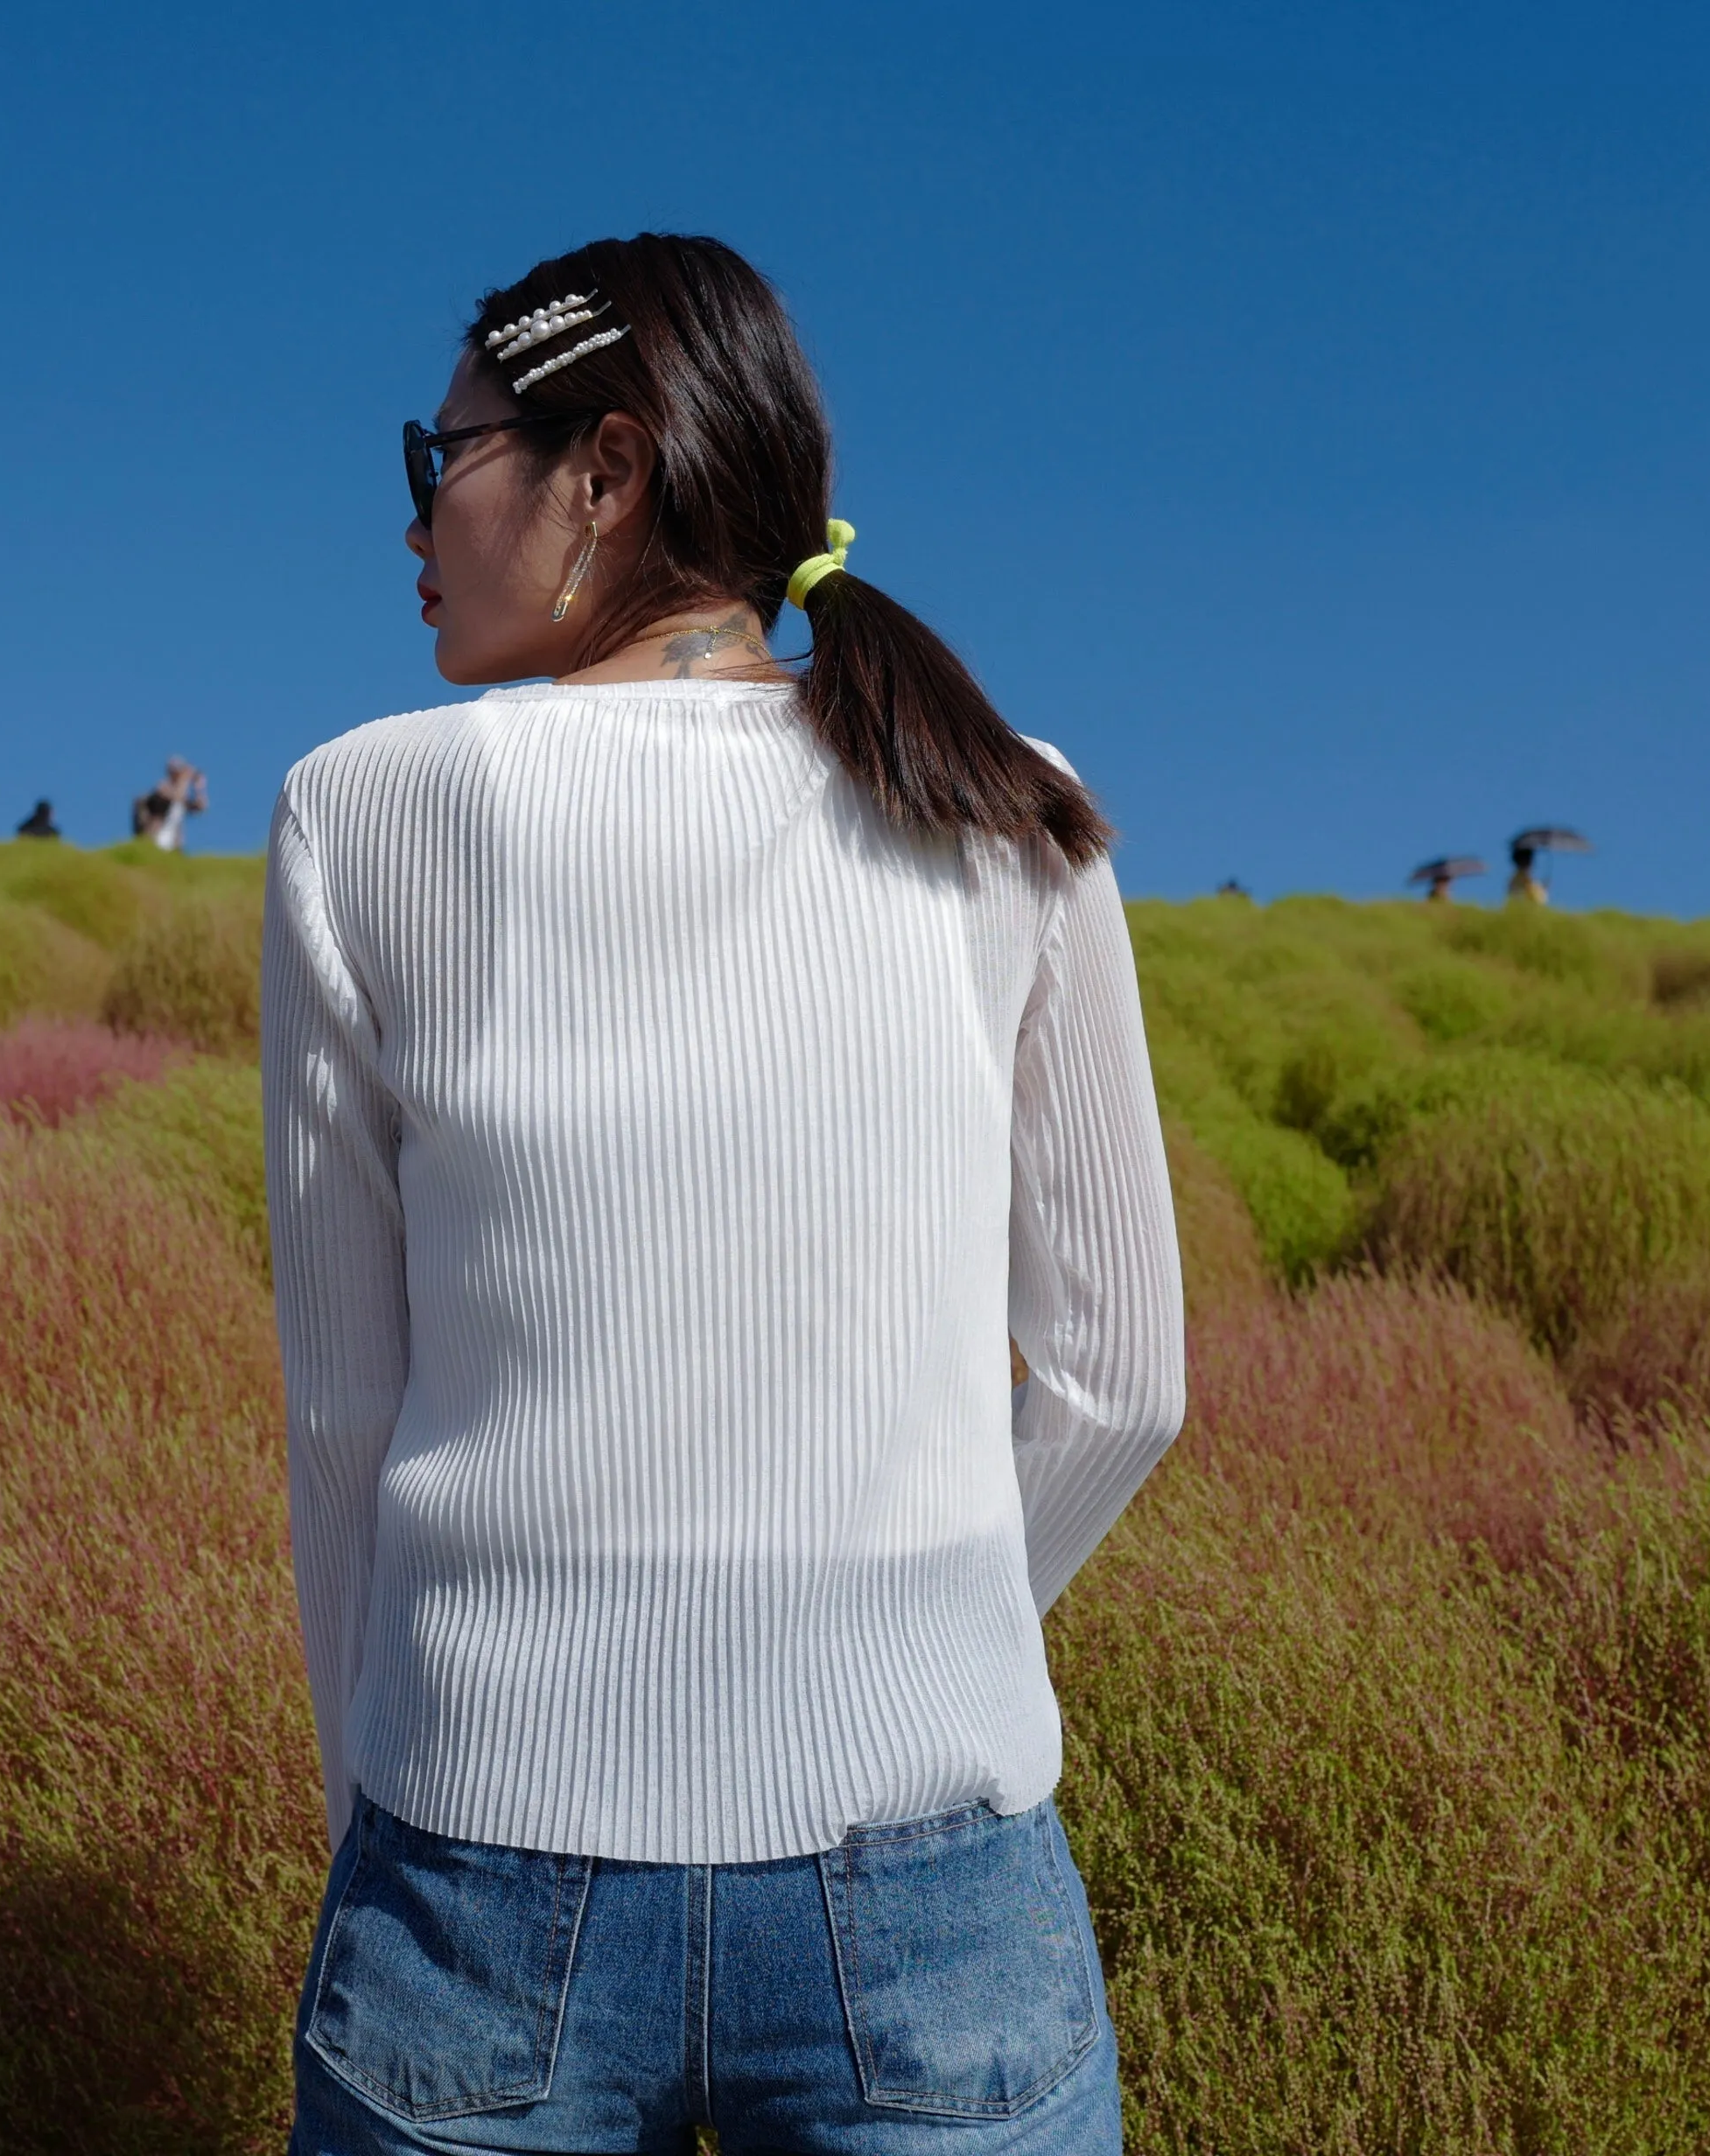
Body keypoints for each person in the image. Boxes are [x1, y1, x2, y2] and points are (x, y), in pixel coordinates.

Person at [263, 234, 1184, 2156]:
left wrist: (387, 1815)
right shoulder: (1004, 802)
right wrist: (914, 1647)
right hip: (932, 1892)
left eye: (442, 458)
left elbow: (347, 1411)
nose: (415, 516)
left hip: (473, 1875)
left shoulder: (362, 809)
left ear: (600, 472)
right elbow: (1118, 1386)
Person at [131, 756, 207, 849]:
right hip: (155, 834)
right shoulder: (163, 787)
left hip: (174, 840)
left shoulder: (181, 794)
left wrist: (198, 789)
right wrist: (185, 779)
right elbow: (176, 798)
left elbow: (199, 807)